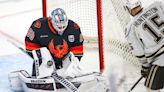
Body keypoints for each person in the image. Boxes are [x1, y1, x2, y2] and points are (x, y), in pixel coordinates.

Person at [25, 8, 84, 76]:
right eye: (59, 26)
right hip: (45, 59)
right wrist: (40, 59)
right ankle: (43, 73)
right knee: (43, 56)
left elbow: (78, 48)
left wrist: (74, 61)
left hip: (64, 58)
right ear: (51, 21)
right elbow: (30, 45)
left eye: (64, 26)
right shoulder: (38, 26)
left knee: (72, 60)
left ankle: (68, 72)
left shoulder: (74, 28)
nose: (61, 28)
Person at [125, 0, 164, 91]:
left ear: (129, 8)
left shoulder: (131, 27)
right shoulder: (157, 5)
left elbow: (139, 52)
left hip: (160, 61)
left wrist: (145, 67)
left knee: (151, 89)